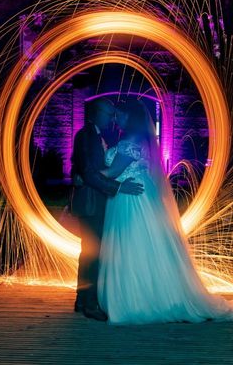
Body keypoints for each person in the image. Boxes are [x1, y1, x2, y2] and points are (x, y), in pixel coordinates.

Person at [97, 99, 233, 324]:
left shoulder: (128, 143)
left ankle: (137, 300)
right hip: (139, 195)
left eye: (119, 115)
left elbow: (112, 172)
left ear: (130, 117)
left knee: (132, 245)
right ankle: (154, 293)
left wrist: (87, 172)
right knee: (147, 246)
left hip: (131, 199)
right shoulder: (139, 140)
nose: (116, 119)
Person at [70, 98, 144, 321]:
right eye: (109, 113)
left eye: (114, 114)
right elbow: (89, 171)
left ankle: (83, 300)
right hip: (91, 203)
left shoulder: (98, 135)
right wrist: (118, 186)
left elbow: (90, 171)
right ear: (95, 113)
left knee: (91, 253)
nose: (112, 118)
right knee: (93, 254)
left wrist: (82, 176)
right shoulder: (86, 135)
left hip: (97, 202)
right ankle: (89, 303)